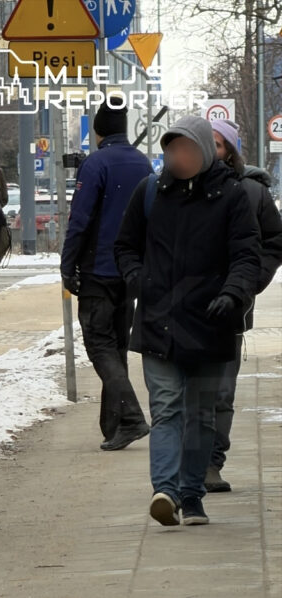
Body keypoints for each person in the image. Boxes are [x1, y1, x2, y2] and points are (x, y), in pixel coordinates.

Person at [114, 116, 261, 526]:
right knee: (165, 409)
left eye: (186, 149)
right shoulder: (150, 192)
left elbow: (247, 256)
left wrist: (233, 293)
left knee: (199, 415)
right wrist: (136, 277)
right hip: (159, 319)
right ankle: (166, 490)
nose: (179, 157)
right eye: (171, 150)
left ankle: (192, 495)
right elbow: (125, 245)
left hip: (211, 322)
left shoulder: (232, 197)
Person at [61, 102, 152, 451]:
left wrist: (67, 266)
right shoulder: (142, 163)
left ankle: (130, 418)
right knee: (115, 346)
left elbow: (80, 220)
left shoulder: (96, 163)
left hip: (98, 269)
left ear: (98, 131)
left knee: (99, 345)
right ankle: (112, 426)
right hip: (129, 271)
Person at [203, 118, 282, 492]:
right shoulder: (170, 188)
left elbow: (274, 241)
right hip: (178, 310)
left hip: (228, 309)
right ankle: (181, 466)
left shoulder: (251, 192)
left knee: (220, 392)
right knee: (179, 394)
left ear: (230, 151)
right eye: (205, 143)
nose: (210, 151)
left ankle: (211, 464)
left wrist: (249, 284)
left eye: (218, 145)